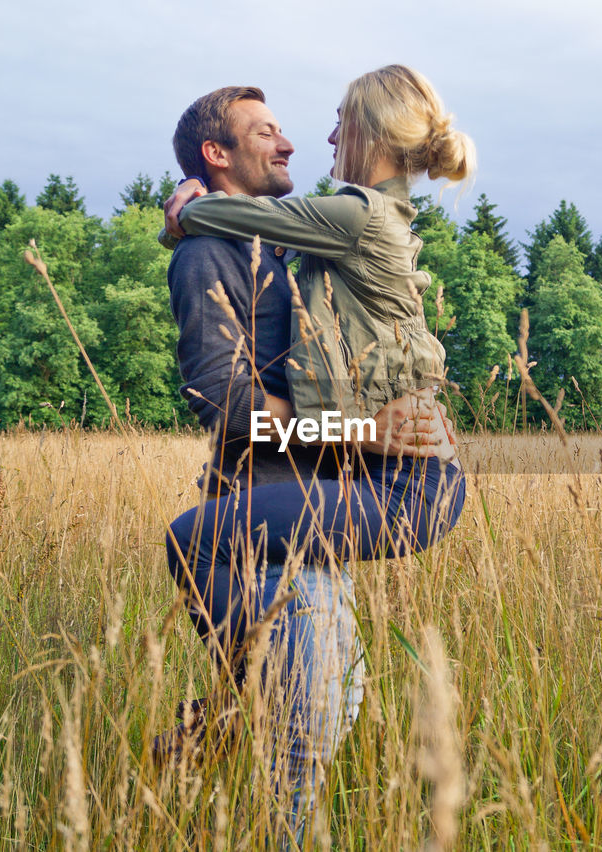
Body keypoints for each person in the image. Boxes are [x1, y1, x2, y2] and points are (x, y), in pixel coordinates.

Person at [158, 69, 471, 844]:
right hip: (313, 502)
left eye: (332, 122)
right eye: (267, 131)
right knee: (322, 715)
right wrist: (365, 432)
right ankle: (238, 709)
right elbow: (228, 407)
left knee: (319, 715)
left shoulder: (340, 224)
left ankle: (233, 711)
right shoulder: (232, 257)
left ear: (369, 134)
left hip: (374, 489)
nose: (302, 138)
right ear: (217, 154)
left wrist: (192, 213)